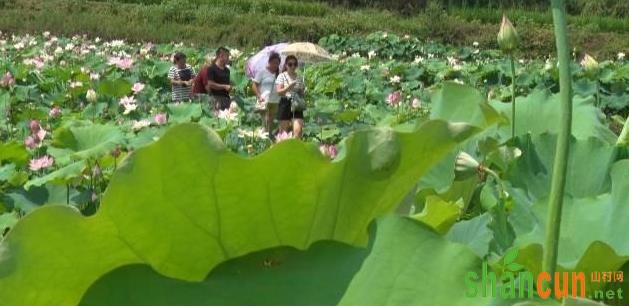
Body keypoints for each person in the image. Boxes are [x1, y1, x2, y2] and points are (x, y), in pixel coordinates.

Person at [275, 55, 305, 138]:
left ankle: (295, 149)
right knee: (283, 132)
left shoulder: (299, 77)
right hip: (285, 103)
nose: (293, 66)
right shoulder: (281, 76)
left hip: (297, 104)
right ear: (286, 65)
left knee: (298, 131)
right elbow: (279, 92)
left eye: (295, 64)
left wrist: (302, 91)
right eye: (290, 64)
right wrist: (289, 87)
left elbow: (302, 94)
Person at [252, 52, 281, 133]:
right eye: (274, 63)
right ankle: (263, 139)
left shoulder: (279, 74)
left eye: (277, 63)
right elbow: (254, 85)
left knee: (270, 123)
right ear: (269, 62)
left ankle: (268, 139)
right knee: (266, 121)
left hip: (275, 101)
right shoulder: (262, 72)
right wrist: (258, 95)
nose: (276, 65)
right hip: (264, 100)